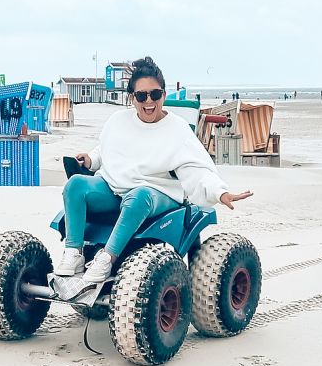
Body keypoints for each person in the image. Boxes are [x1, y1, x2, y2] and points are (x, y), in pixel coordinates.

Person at [55, 56, 253, 283]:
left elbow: (197, 168)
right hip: (116, 187)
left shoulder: (176, 129)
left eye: (155, 94)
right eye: (141, 96)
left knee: (139, 195)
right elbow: (106, 150)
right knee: (75, 185)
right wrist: (90, 160)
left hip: (157, 192)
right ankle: (74, 252)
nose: (149, 102)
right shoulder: (118, 121)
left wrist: (220, 192)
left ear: (163, 95)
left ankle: (107, 257)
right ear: (132, 98)